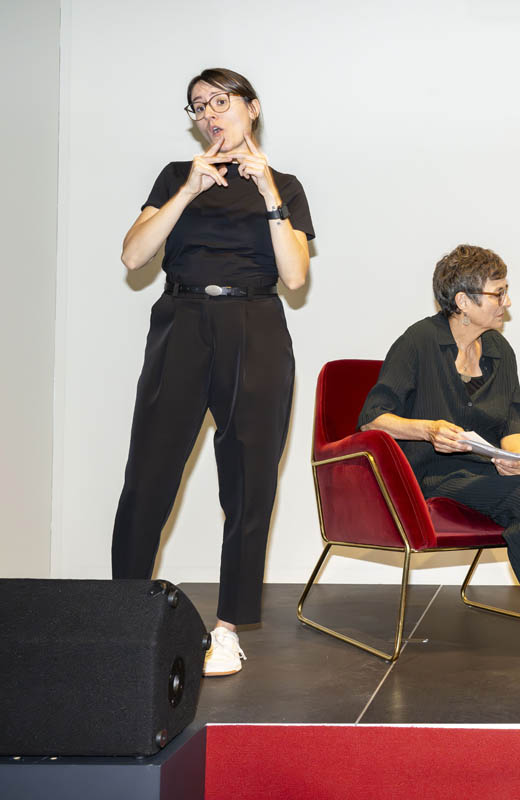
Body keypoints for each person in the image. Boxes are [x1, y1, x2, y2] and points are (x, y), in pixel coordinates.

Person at [113, 68, 314, 677]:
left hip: (254, 323)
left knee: (250, 480)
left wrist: (270, 193)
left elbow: (296, 276)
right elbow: (133, 255)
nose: (208, 114)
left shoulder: (286, 185)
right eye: (198, 106)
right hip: (182, 317)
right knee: (149, 470)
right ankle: (124, 614)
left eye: (219, 102)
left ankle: (228, 628)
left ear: (251, 108)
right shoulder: (178, 175)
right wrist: (187, 192)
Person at [358, 245, 520, 672]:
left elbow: (515, 417)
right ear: (463, 301)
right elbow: (373, 420)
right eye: (498, 293)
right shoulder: (419, 342)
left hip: (491, 468)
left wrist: (513, 454)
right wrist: (427, 429)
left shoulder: (499, 349)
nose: (507, 302)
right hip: (437, 474)